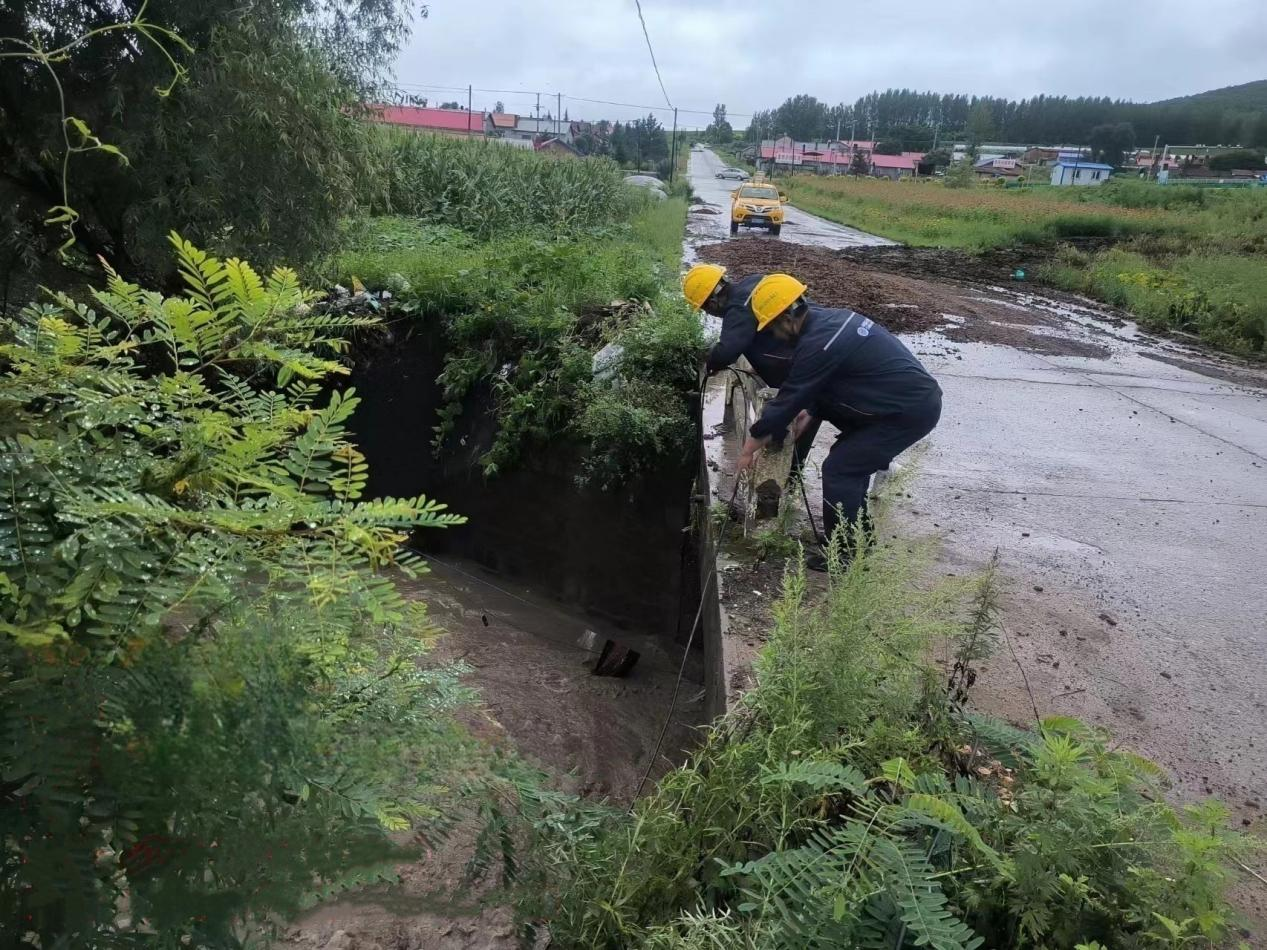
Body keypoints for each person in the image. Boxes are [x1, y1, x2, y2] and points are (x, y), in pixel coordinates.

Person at [735, 274, 942, 570]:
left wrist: (748, 449)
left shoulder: (820, 341)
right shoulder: (831, 322)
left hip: (905, 412)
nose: (772, 337)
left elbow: (788, 400)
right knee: (849, 468)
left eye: (771, 328)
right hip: (900, 404)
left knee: (841, 469)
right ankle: (857, 541)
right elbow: (834, 380)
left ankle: (844, 556)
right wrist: (813, 410)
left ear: (786, 318)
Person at [681, 263, 821, 480]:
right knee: (796, 421)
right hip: (810, 354)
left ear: (713, 301)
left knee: (793, 428)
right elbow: (759, 333)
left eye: (705, 309)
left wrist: (709, 365)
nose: (710, 314)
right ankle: (785, 479)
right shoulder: (752, 282)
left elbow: (727, 350)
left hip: (800, 373)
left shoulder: (737, 308)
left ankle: (783, 484)